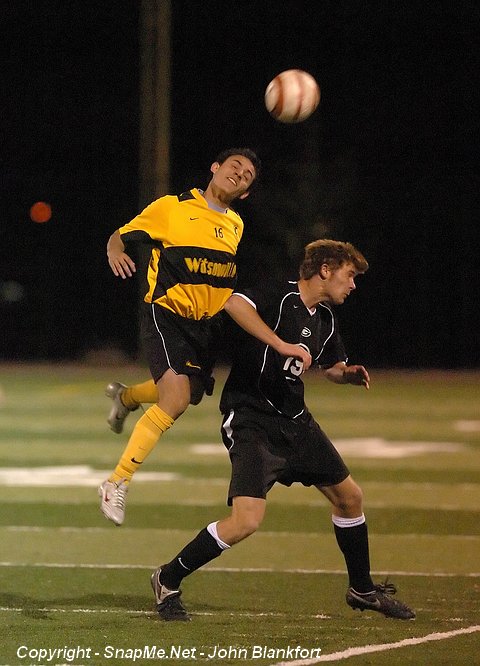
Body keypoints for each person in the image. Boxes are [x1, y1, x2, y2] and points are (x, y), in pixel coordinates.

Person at [149, 239, 415, 622]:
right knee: (246, 521)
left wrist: (346, 374)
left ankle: (362, 589)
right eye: (349, 275)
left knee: (350, 498)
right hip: (251, 418)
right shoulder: (279, 295)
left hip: (296, 422)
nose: (353, 284)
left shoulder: (325, 319)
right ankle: (167, 578)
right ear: (325, 270)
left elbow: (330, 366)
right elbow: (233, 304)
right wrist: (280, 343)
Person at [98, 148, 311, 526]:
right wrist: (115, 250)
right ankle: (116, 482)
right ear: (215, 168)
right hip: (167, 313)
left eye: (247, 175)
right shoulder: (173, 207)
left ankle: (126, 397)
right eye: (235, 166)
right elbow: (121, 235)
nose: (239, 174)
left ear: (246, 192)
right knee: (176, 398)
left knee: (191, 393)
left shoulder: (235, 226)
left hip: (205, 326)